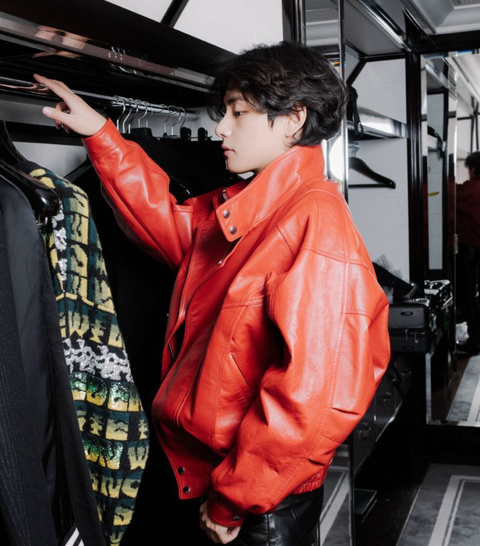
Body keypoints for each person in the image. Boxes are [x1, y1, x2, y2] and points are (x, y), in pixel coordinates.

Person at [35, 41, 390, 546]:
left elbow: (315, 400)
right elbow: (170, 226)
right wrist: (101, 134)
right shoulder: (257, 205)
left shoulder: (315, 223)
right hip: (215, 479)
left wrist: (232, 501)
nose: (221, 128)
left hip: (251, 503)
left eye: (238, 113)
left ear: (294, 119)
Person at [457, 152, 480, 354]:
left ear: (473, 170)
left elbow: (443, 193)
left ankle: (475, 341)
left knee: (470, 295)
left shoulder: (466, 191)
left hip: (471, 250)